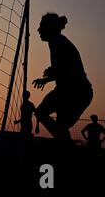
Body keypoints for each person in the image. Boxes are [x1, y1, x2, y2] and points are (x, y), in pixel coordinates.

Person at [32, 13, 93, 142]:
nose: (38, 30)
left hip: (76, 91)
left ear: (49, 28)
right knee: (57, 126)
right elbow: (65, 67)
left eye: (41, 26)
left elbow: (66, 69)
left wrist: (49, 77)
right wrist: (51, 74)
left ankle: (66, 146)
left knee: (50, 120)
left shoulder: (57, 42)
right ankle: (65, 144)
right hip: (69, 90)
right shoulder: (57, 41)